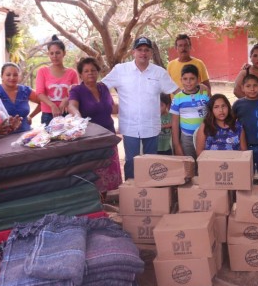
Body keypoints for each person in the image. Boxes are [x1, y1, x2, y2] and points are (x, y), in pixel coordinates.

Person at [102, 36, 178, 179]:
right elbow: (102, 87)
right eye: (140, 50)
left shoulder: (159, 72)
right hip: (130, 126)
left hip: (151, 126)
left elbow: (175, 91)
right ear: (133, 52)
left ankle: (150, 193)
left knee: (151, 163)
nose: (143, 53)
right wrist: (109, 104)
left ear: (151, 53)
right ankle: (131, 193)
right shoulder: (120, 70)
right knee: (131, 161)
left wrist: (195, 93)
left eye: (146, 50)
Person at [67, 57, 121, 194]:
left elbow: (113, 108)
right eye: (86, 71)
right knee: (94, 172)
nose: (90, 73)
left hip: (108, 135)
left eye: (93, 70)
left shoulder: (103, 88)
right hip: (90, 138)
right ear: (80, 74)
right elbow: (72, 105)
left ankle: (107, 199)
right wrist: (76, 115)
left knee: (110, 170)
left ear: (98, 72)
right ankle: (96, 204)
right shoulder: (77, 90)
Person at [35, 35, 79, 126]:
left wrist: (67, 99)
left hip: (67, 114)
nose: (54, 56)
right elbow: (39, 93)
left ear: (64, 53)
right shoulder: (42, 71)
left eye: (58, 53)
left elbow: (75, 92)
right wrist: (52, 105)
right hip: (48, 115)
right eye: (51, 53)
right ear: (49, 54)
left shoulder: (72, 73)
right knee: (48, 139)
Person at [170, 64, 210, 159]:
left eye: (192, 79)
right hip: (186, 138)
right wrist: (177, 145)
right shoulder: (178, 98)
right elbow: (175, 123)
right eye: (185, 79)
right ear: (181, 80)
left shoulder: (204, 94)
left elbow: (211, 113)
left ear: (198, 80)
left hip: (205, 136)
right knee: (189, 164)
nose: (188, 82)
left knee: (205, 162)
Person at [0, 62, 41, 134]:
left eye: (15, 75)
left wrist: (31, 116)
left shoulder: (25, 90)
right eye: (8, 75)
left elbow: (43, 101)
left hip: (25, 134)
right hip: (2, 136)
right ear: (1, 76)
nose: (12, 77)